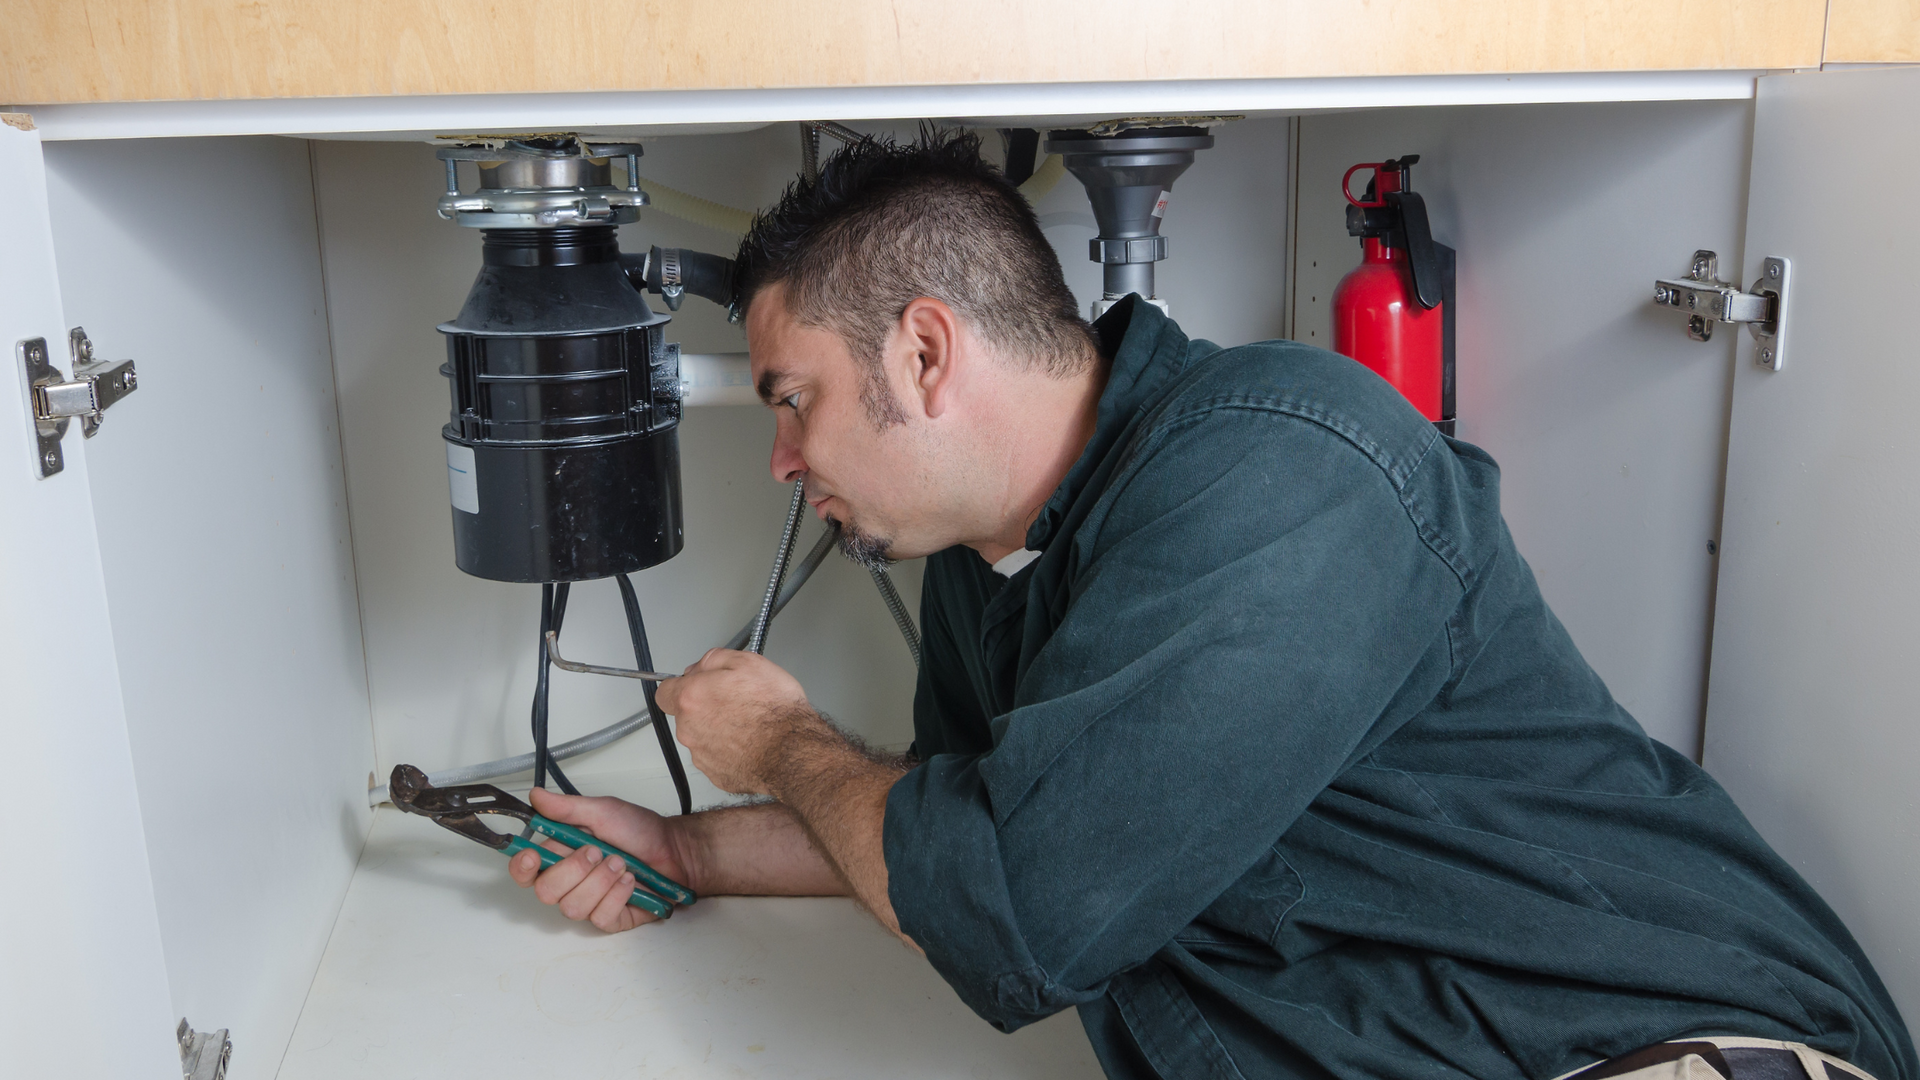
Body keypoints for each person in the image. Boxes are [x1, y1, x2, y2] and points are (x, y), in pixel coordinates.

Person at [506, 131, 1915, 1080]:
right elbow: (948, 835)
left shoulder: (1283, 463)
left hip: (1638, 1044)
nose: (783, 458)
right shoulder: (981, 573)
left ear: (927, 352)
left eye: (794, 399)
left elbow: (1009, 906)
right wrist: (682, 843)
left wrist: (774, 743)